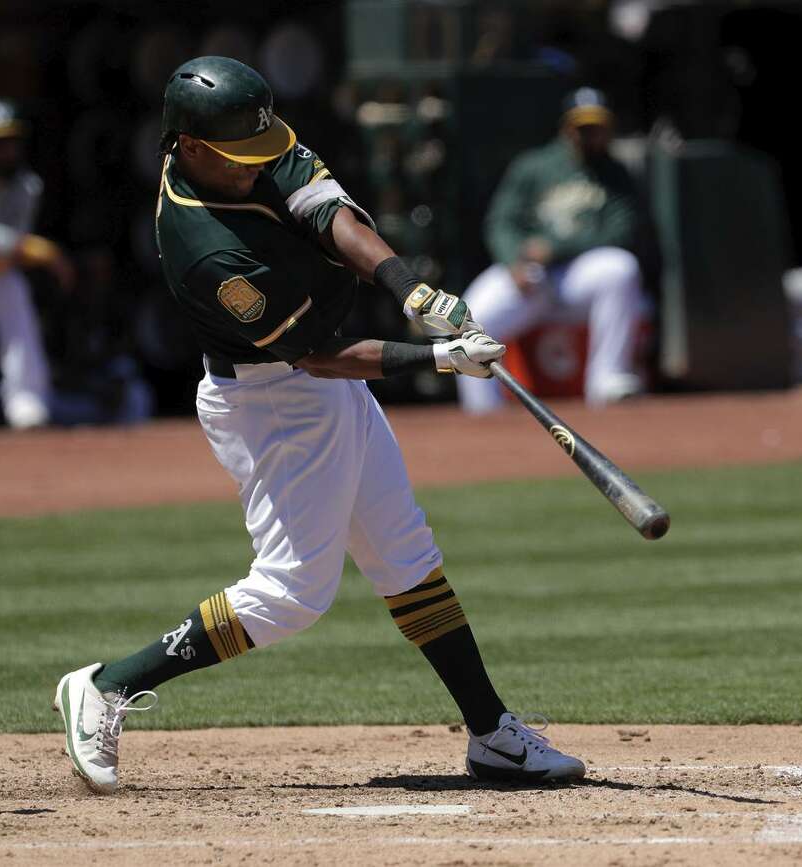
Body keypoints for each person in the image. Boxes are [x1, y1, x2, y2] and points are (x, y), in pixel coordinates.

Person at [52, 56, 585, 794]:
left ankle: (493, 733)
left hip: (311, 384)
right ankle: (108, 684)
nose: (256, 166)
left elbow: (327, 212)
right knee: (293, 591)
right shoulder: (206, 251)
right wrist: (435, 356)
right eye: (239, 160)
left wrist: (413, 288)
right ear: (192, 149)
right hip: (275, 399)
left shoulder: (249, 140)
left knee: (406, 554)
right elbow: (319, 355)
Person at [457, 87, 646, 413]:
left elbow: (620, 233)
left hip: (579, 276)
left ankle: (607, 384)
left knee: (620, 267)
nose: (589, 134)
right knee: (469, 318)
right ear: (566, 127)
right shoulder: (535, 166)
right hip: (530, 275)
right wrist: (512, 259)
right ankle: (483, 414)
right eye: (582, 126)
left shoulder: (615, 175)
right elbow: (501, 221)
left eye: (596, 127)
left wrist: (555, 247)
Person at [0, 99, 74, 428]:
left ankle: (26, 400)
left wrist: (10, 251)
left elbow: (1, 259)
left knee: (9, 287)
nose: (5, 152)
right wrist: (35, 249)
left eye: (10, 143)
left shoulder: (27, 187)